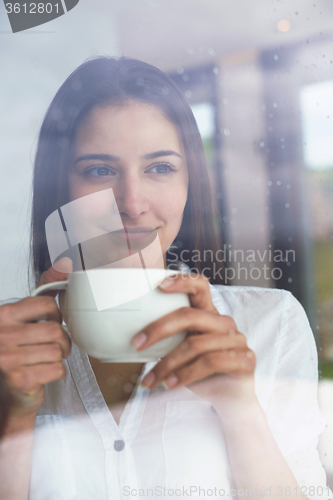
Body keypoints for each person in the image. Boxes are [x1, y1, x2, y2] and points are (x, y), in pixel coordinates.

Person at [0, 56, 329, 500]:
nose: (132, 203)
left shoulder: (270, 322)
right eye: (100, 170)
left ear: (189, 183)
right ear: (60, 188)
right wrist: (13, 418)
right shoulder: (13, 351)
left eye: (160, 168)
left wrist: (241, 410)